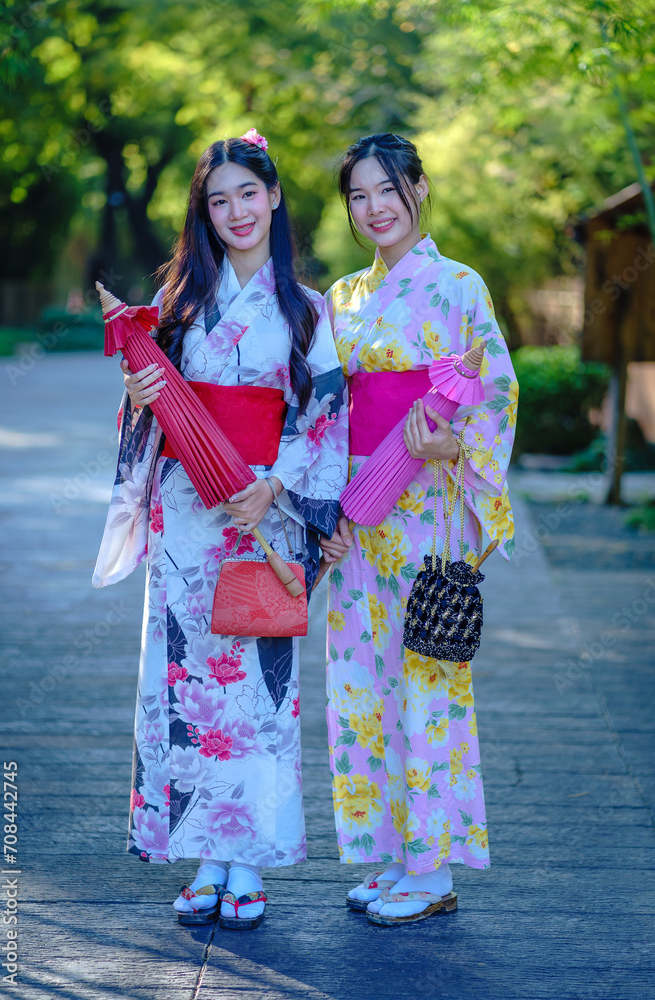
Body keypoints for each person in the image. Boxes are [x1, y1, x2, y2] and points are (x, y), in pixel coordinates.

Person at [93, 130, 348, 929]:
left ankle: (252, 862)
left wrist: (275, 483)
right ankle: (207, 856)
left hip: (263, 513)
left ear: (274, 198)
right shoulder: (179, 306)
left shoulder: (309, 310)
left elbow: (325, 413)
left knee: (260, 696)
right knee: (187, 687)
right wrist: (140, 394)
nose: (236, 210)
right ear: (204, 213)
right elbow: (152, 407)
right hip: (187, 517)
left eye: (249, 193)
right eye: (218, 199)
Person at [319, 133, 517, 925]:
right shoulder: (341, 297)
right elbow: (328, 413)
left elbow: (494, 394)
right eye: (358, 195)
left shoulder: (459, 286)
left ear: (419, 190)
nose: (374, 208)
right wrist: (322, 512)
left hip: (427, 511)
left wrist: (454, 446)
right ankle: (397, 855)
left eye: (387, 190)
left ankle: (433, 869)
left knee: (427, 680)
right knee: (363, 686)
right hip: (358, 512)